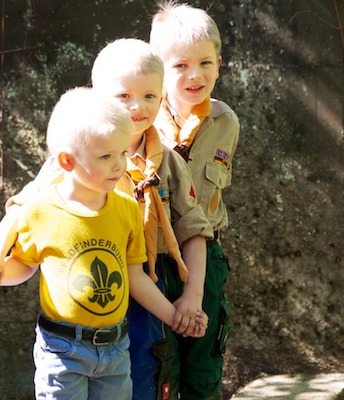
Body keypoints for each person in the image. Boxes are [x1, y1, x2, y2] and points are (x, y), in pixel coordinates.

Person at [0, 87, 208, 400]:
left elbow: (134, 277)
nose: (119, 165)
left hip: (117, 348)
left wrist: (175, 317)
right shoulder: (41, 211)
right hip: (63, 350)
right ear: (66, 160)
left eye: (122, 153)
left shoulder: (125, 209)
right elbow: (24, 265)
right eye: (106, 157)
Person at [91, 38, 214, 400]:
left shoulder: (168, 163)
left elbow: (193, 228)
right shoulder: (83, 156)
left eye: (149, 96)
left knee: (149, 376)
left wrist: (191, 298)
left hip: (152, 284)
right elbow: (30, 206)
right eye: (124, 97)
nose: (138, 107)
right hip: (98, 288)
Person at [149, 2, 240, 399]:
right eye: (181, 65)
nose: (195, 75)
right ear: (159, 69)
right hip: (153, 262)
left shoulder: (225, 123)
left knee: (203, 370)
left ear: (219, 65)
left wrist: (199, 285)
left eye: (205, 63)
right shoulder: (142, 124)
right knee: (159, 370)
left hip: (207, 260)